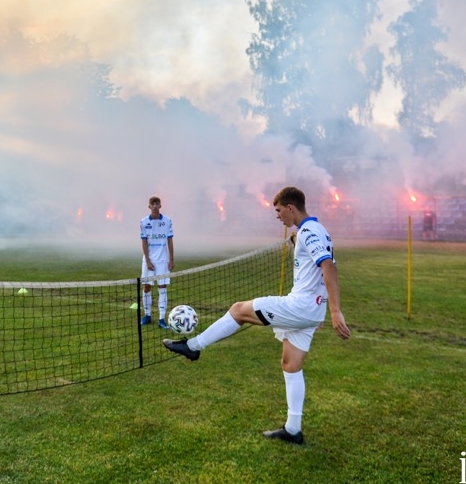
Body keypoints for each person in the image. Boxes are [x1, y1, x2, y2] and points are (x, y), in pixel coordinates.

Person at [163, 186, 351, 445]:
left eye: (278, 211)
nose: (277, 217)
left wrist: (335, 311)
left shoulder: (308, 232)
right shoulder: (315, 231)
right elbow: (318, 260)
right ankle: (293, 430)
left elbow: (328, 267)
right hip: (310, 310)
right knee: (291, 365)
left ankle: (192, 346)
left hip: (301, 306)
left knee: (239, 310)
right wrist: (319, 311)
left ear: (290, 208)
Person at [139, 196, 174, 329]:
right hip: (148, 259)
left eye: (157, 203)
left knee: (162, 287)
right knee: (147, 286)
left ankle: (161, 319)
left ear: (160, 206)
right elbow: (144, 241)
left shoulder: (167, 221)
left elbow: (170, 240)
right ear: (149, 206)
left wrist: (171, 259)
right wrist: (147, 260)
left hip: (163, 260)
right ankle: (147, 315)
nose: (154, 206)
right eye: (152, 204)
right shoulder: (143, 222)